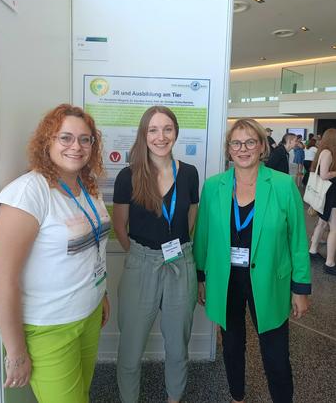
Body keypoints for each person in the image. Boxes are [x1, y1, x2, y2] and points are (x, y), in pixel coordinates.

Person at [0, 104, 110, 403]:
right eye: (65, 137)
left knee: (82, 393)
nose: (76, 146)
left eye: (85, 139)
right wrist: (15, 351)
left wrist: (101, 293)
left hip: (90, 313)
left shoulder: (89, 188)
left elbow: (93, 249)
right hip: (50, 328)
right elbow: (1, 277)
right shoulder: (28, 192)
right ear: (47, 141)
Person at [193, 118, 311, 403]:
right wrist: (201, 277)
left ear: (261, 146)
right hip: (227, 279)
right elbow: (203, 236)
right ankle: (237, 396)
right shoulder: (213, 187)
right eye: (236, 143)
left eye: (249, 142)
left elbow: (297, 240)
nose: (242, 149)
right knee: (232, 346)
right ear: (228, 150)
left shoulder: (282, 185)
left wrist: (301, 288)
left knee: (275, 352)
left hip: (270, 278)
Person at [113, 106, 199, 403]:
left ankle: (173, 398)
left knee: (177, 348)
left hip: (180, 263)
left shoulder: (189, 174)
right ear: (143, 134)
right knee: (130, 350)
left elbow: (190, 219)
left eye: (167, 129)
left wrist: (171, 252)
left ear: (175, 133)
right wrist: (143, 255)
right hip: (142, 264)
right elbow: (120, 225)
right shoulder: (129, 176)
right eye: (153, 130)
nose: (160, 137)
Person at [308, 128, 336, 275]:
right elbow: (324, 175)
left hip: (326, 194)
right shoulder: (328, 153)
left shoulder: (323, 151)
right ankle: (330, 263)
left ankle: (313, 250)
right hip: (330, 195)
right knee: (334, 228)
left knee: (322, 223)